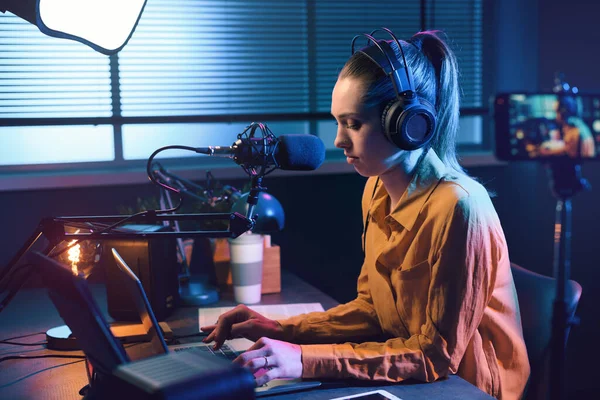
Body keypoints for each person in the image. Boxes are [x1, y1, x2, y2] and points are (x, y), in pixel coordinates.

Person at [201, 29, 530, 400]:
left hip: (466, 387)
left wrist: (304, 360)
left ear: (408, 124)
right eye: (338, 122)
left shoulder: (461, 207)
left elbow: (434, 356)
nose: (339, 140)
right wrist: (279, 329)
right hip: (413, 376)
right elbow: (372, 310)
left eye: (354, 124)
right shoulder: (376, 188)